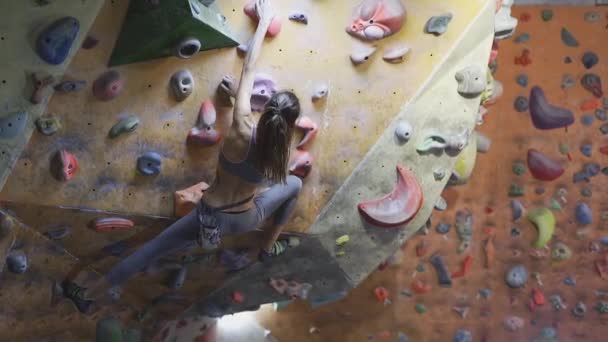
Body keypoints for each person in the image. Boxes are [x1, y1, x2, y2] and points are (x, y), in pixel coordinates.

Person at [63, 0, 302, 313]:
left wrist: (261, 23)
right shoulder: (279, 155)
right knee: (294, 184)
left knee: (151, 250)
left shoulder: (242, 123)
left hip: (209, 213)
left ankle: (88, 294)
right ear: (288, 125)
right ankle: (268, 246)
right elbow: (274, 164)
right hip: (244, 219)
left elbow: (249, 68)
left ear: (267, 106)